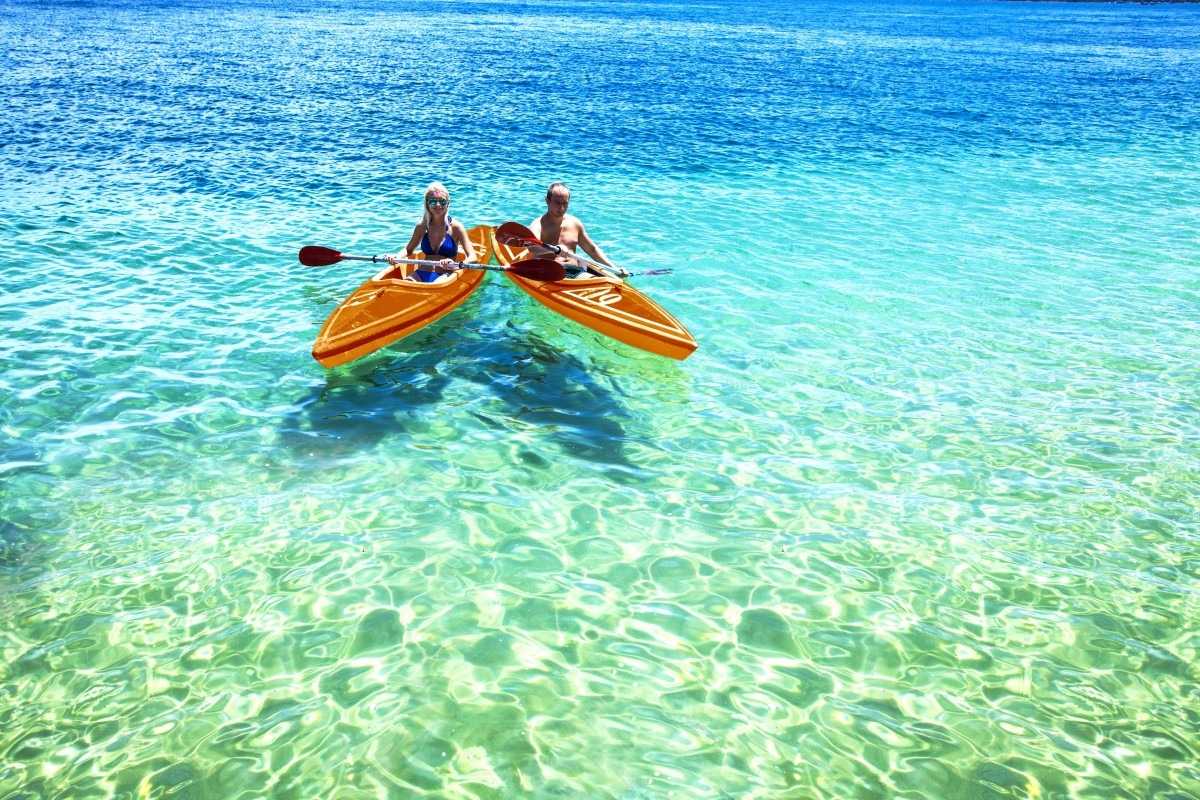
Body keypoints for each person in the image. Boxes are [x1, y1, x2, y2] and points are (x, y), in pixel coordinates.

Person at [529, 182, 628, 278]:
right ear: (547, 201)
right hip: (550, 272)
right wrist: (554, 249)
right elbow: (532, 248)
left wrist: (614, 269)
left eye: (565, 203)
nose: (562, 208)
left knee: (612, 281)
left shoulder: (575, 223)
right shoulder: (538, 225)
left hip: (575, 270)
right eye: (557, 203)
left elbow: (592, 250)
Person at [391, 182, 476, 282]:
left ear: (448, 203)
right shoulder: (422, 226)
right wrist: (397, 256)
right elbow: (408, 250)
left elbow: (473, 257)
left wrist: (457, 265)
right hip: (421, 273)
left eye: (442, 201)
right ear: (427, 203)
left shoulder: (456, 227)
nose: (438, 205)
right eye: (433, 201)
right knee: (404, 285)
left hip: (445, 275)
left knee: (433, 286)